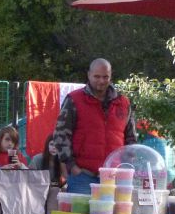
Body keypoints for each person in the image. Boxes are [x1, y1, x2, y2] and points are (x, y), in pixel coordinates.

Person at [53, 58, 137, 194]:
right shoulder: (74, 99)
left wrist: (127, 168)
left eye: (105, 77)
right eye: (97, 77)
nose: (101, 81)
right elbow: (60, 134)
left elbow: (131, 138)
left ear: (111, 76)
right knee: (81, 209)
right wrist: (72, 166)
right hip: (83, 175)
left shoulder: (123, 102)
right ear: (89, 75)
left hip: (115, 177)